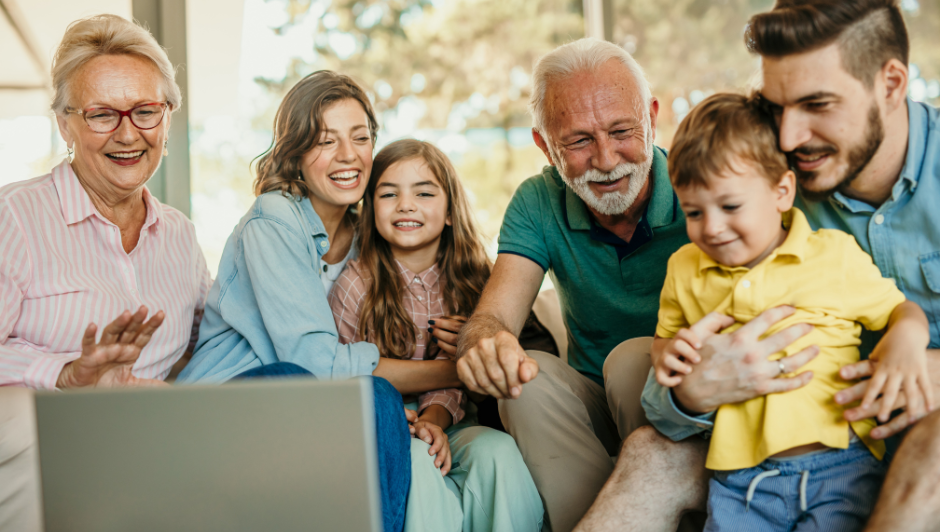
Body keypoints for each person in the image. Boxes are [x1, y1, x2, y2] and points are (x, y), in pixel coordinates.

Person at [575, 2, 940, 531]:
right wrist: (691, 391)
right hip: (777, 440)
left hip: (905, 435)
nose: (789, 138)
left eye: (817, 103)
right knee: (649, 450)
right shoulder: (760, 183)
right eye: (777, 107)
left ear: (890, 83)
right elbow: (675, 348)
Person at [649, 92, 931, 530]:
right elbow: (666, 337)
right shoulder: (684, 267)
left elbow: (899, 311)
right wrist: (667, 355)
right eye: (693, 212)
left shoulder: (832, 255)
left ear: (782, 191)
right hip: (740, 480)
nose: (713, 227)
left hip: (841, 468)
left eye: (730, 206)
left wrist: (908, 339)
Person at [455, 37, 689, 532]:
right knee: (525, 377)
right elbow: (494, 318)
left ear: (651, 116)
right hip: (594, 407)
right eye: (578, 141)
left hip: (685, 403)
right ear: (543, 143)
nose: (606, 160)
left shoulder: (699, 184)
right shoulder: (538, 200)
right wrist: (483, 345)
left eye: (622, 131)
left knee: (632, 363)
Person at [175, 71, 416, 532]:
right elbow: (314, 364)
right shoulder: (273, 218)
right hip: (220, 406)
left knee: (378, 400)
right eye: (326, 141)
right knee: (294, 381)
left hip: (302, 411)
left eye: (360, 137)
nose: (349, 155)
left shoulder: (371, 235)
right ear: (296, 153)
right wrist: (454, 368)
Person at [0, 14, 210, 530]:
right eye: (101, 114)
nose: (127, 133)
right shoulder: (16, 217)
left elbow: (209, 343)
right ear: (65, 123)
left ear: (166, 119)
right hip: (43, 433)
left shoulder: (180, 236)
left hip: (150, 450)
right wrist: (68, 376)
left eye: (145, 111)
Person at [329, 139, 544, 532]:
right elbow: (343, 376)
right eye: (389, 193)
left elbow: (464, 383)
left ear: (448, 211)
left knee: (498, 452)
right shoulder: (354, 285)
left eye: (424, 193)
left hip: (452, 419)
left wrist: (434, 421)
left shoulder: (473, 282)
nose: (406, 204)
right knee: (418, 462)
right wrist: (419, 426)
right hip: (382, 427)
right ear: (370, 209)